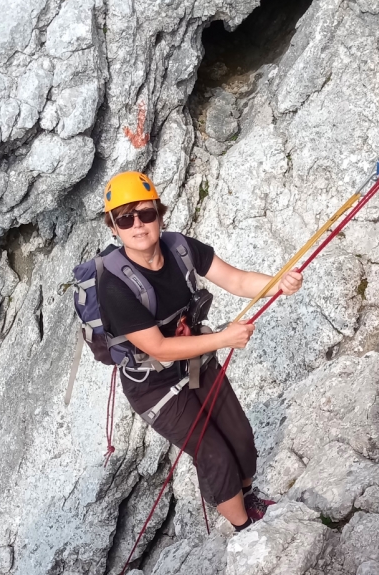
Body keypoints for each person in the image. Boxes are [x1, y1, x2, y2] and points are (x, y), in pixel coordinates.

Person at [99, 171, 303, 532]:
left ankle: (247, 497)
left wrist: (277, 283)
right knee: (213, 452)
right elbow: (157, 346)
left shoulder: (180, 249)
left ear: (160, 215)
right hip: (152, 386)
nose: (138, 225)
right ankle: (246, 528)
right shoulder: (115, 285)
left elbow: (236, 280)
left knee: (240, 438)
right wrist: (223, 339)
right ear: (114, 227)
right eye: (125, 219)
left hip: (195, 362)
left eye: (146, 214)